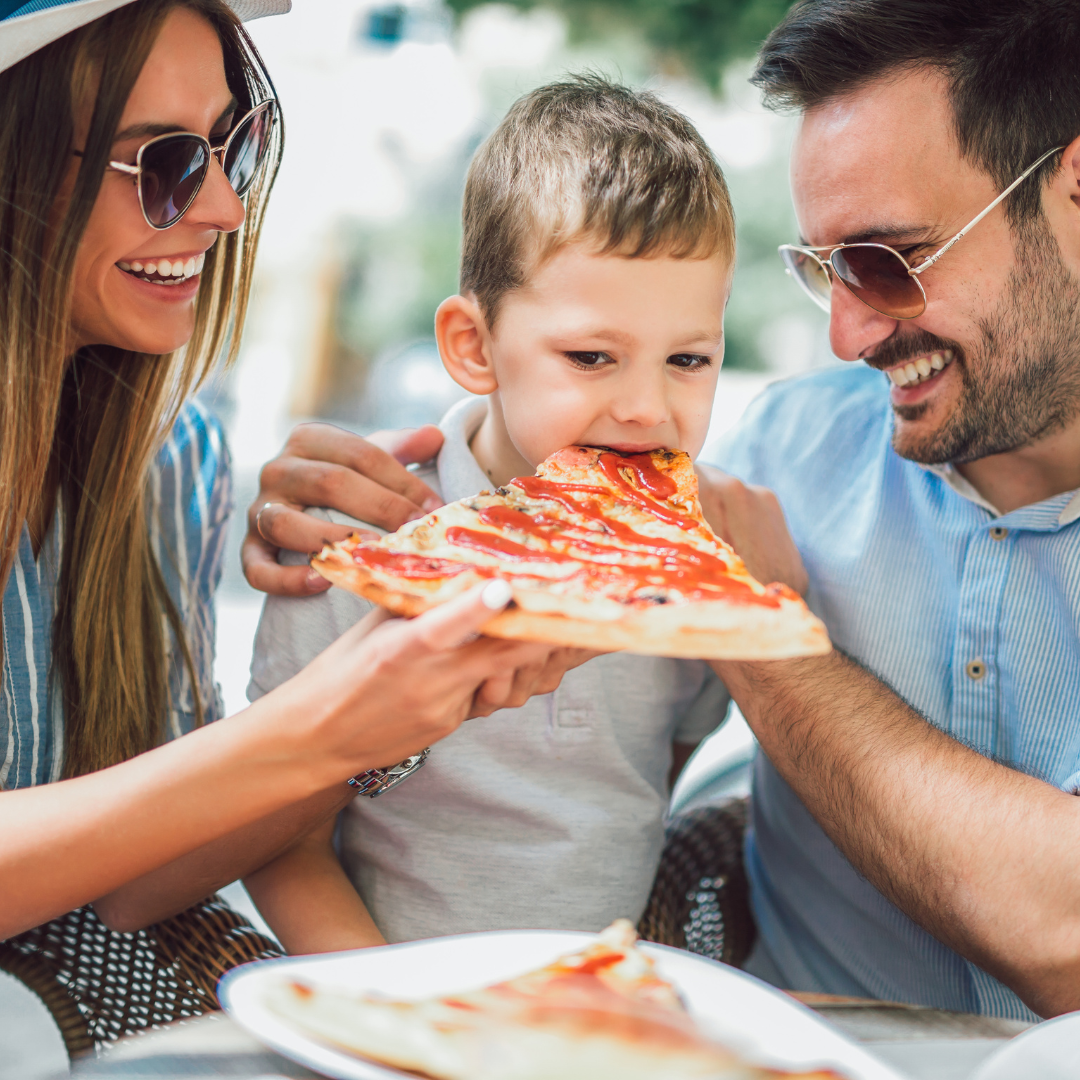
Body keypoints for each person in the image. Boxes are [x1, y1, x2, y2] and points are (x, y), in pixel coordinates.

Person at [244, 0, 1080, 1022]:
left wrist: (762, 630)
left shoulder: (740, 519)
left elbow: (1063, 938)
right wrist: (324, 495)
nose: (846, 337)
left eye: (888, 262)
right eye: (823, 272)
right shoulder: (781, 459)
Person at [0, 0, 585, 944]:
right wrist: (315, 724)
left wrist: (389, 701)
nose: (225, 207)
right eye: (162, 163)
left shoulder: (177, 464)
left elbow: (135, 886)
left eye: (231, 144)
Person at [243, 76, 734, 954]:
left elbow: (652, 780)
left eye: (688, 358)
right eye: (591, 357)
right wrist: (393, 1014)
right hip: (386, 1001)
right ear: (474, 346)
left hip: (597, 1012)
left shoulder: (697, 564)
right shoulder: (361, 542)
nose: (644, 408)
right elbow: (280, 844)